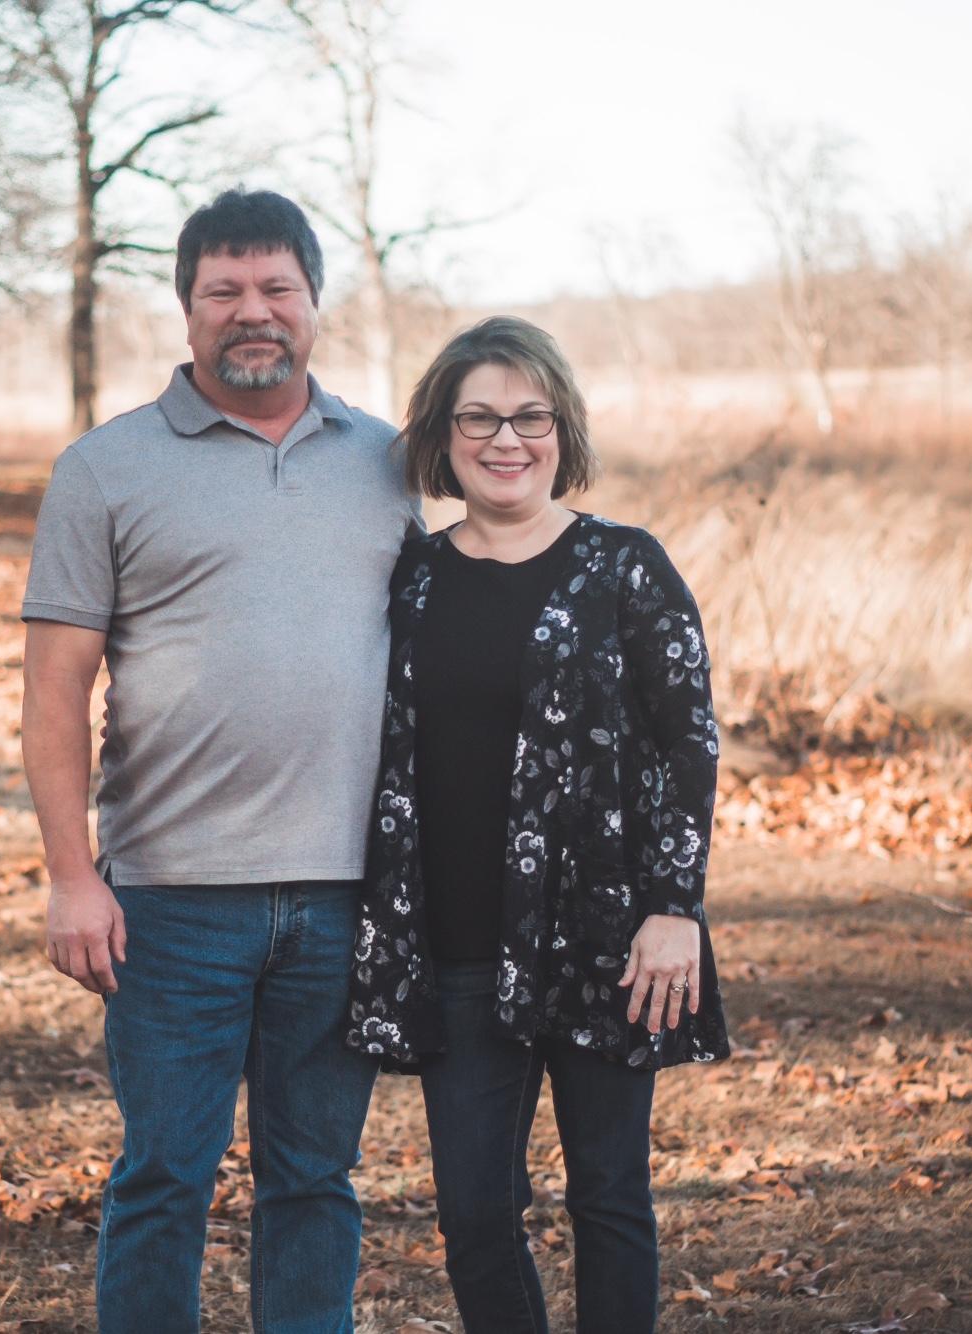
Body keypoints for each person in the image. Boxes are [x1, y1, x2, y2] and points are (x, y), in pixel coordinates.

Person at [20, 188, 420, 1334]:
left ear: (313, 304)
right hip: (169, 902)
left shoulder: (388, 462)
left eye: (276, 289)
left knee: (314, 1179)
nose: (254, 313)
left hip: (345, 895)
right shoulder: (104, 467)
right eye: (225, 292)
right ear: (187, 309)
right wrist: (70, 872)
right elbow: (55, 686)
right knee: (163, 1177)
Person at [347, 316, 730, 1333]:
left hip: (609, 937)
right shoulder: (412, 576)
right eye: (477, 416)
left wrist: (671, 908)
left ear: (562, 430)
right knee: (474, 1212)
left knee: (608, 1196)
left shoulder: (625, 567)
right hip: (458, 943)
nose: (503, 438)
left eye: (529, 415)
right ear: (441, 432)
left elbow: (688, 741)